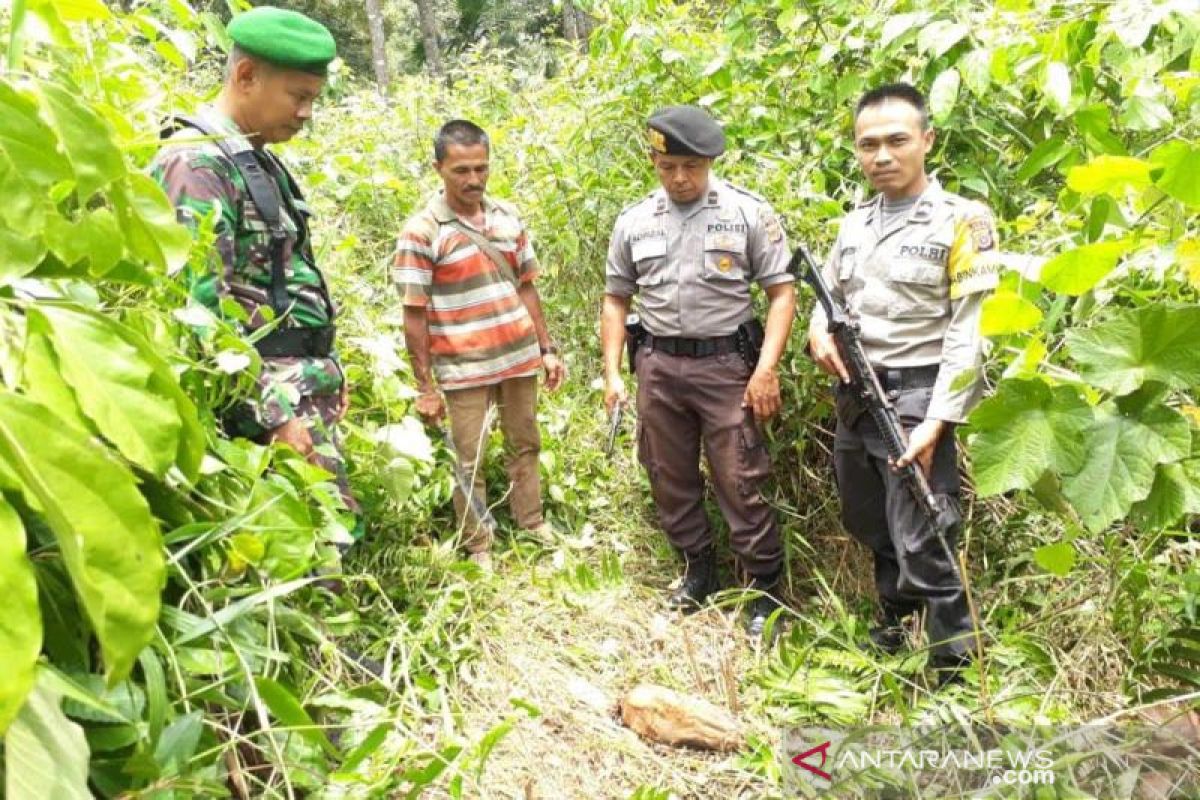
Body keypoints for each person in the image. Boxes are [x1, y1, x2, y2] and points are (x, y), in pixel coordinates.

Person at [807, 83, 1000, 685]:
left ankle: (957, 670)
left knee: (925, 533)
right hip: (857, 393)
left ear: (927, 141)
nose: (881, 156)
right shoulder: (855, 223)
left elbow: (970, 333)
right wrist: (817, 330)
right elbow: (831, 296)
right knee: (868, 518)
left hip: (920, 394)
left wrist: (940, 420)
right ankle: (896, 621)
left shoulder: (965, 221)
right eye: (868, 145)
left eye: (896, 141)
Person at [151, 7, 361, 548]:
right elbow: (197, 314)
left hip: (296, 389)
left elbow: (276, 279)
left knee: (330, 541)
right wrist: (273, 415)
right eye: (298, 96)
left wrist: (325, 366)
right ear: (246, 76)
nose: (307, 112)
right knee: (298, 561)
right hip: (263, 407)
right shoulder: (196, 166)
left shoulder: (253, 157)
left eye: (313, 98)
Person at [601, 106, 796, 638]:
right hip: (658, 367)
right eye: (668, 167)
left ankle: (764, 592)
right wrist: (614, 373)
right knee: (667, 474)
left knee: (741, 478)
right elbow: (616, 299)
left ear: (709, 161)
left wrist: (767, 369)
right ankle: (697, 572)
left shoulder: (747, 214)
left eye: (691, 166)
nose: (680, 178)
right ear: (654, 162)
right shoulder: (635, 221)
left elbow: (781, 293)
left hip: (726, 367)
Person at [394, 120, 565, 570]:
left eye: (481, 169)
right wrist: (424, 385)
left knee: (525, 443)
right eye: (461, 171)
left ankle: (531, 521)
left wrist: (546, 348)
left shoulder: (507, 217)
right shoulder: (423, 231)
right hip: (463, 367)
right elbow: (414, 312)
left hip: (517, 359)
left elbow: (527, 288)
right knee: (467, 460)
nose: (473, 180)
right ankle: (479, 544)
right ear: (438, 169)